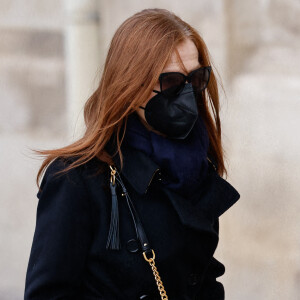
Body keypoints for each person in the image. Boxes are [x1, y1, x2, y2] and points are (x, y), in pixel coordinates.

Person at [24, 8, 240, 300]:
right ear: (132, 87)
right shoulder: (77, 179)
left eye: (197, 78)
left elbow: (199, 277)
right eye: (172, 83)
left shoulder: (197, 166)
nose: (188, 94)